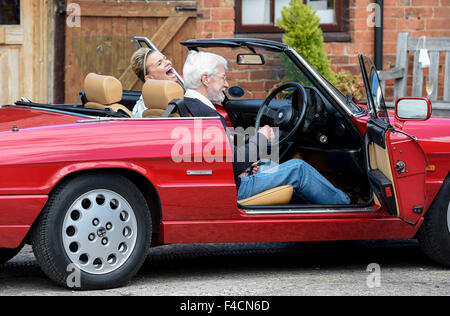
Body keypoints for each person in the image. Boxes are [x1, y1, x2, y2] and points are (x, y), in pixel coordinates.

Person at [182, 51, 350, 205]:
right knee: (298, 169)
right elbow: (235, 163)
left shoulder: (191, 106)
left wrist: (246, 166)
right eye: (223, 78)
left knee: (268, 163)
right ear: (206, 79)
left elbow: (226, 156)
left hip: (230, 178)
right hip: (237, 186)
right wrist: (261, 137)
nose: (226, 84)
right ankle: (346, 207)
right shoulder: (206, 114)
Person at [130, 48, 181, 118]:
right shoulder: (141, 113)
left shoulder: (181, 88)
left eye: (165, 58)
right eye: (159, 63)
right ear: (150, 78)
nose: (168, 62)